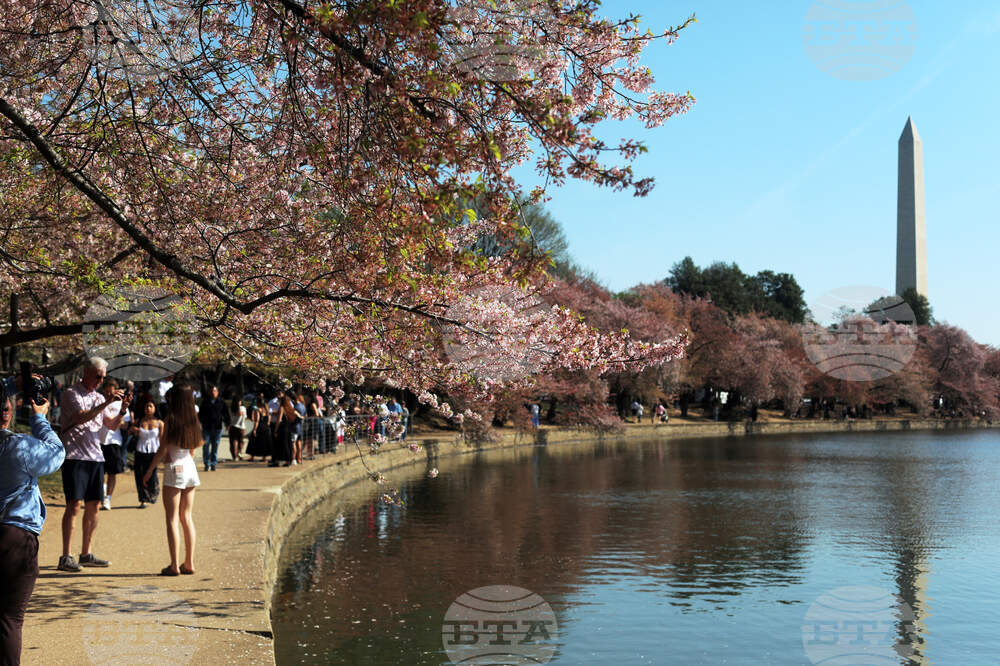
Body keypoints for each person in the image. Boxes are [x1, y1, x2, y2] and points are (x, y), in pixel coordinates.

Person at [0, 381, 63, 665]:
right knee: (9, 619)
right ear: (8, 412)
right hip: (14, 537)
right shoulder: (19, 447)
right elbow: (56, 453)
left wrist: (15, 383)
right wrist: (39, 419)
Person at [58, 357, 129, 571]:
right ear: (86, 372)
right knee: (74, 505)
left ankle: (86, 553)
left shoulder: (98, 397)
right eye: (98, 376)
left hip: (96, 457)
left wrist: (122, 410)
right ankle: (66, 556)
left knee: (94, 505)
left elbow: (111, 425)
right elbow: (81, 417)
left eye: (103, 377)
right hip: (75, 457)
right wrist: (106, 403)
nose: (101, 381)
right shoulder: (71, 394)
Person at [142, 385, 202, 576]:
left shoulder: (171, 419)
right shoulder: (193, 420)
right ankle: (189, 562)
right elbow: (194, 448)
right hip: (190, 467)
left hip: (175, 467)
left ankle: (174, 564)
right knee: (187, 517)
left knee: (172, 518)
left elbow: (163, 449)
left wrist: (149, 471)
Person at [98, 378, 131, 511]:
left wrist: (116, 421)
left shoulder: (121, 405)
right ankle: (102, 490)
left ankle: (108, 498)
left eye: (111, 392)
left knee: (112, 473)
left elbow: (126, 425)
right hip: (98, 441)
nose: (109, 394)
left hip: (114, 442)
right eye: (106, 392)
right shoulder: (99, 402)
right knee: (99, 471)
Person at [131, 400, 162, 508]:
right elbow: (129, 431)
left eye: (150, 406)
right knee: (139, 474)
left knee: (152, 474)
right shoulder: (139, 421)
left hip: (154, 451)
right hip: (140, 450)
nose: (148, 408)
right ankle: (143, 499)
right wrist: (134, 430)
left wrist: (163, 454)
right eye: (146, 406)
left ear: (155, 408)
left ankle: (153, 493)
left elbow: (162, 439)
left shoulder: (160, 423)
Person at [198, 385, 229, 471]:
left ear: (217, 392)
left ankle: (213, 464)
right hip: (206, 427)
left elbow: (226, 414)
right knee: (206, 446)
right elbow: (200, 414)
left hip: (217, 427)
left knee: (215, 446)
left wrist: (227, 424)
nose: (213, 392)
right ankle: (206, 463)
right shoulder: (205, 402)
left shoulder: (221, 402)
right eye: (211, 391)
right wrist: (199, 423)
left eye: (214, 391)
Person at [272, 395, 299, 467]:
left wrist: (276, 429)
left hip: (282, 427)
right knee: (288, 443)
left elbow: (279, 419)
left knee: (280, 444)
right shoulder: (290, 408)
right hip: (288, 426)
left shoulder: (282, 407)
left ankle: (277, 460)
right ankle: (288, 460)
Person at [246, 394, 272, 462]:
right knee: (264, 443)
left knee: (254, 441)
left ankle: (252, 457)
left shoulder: (257, 410)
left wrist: (254, 429)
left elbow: (257, 421)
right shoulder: (267, 411)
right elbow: (269, 421)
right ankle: (264, 457)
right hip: (266, 428)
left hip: (259, 427)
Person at [228, 397, 248, 461]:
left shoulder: (230, 408)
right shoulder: (243, 408)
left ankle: (234, 456)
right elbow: (245, 417)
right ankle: (239, 453)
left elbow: (229, 417)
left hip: (233, 426)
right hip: (241, 427)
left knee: (233, 442)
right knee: (241, 441)